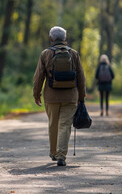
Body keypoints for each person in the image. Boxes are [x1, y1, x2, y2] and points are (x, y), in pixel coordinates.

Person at [33, 26, 86, 166]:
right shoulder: (74, 54)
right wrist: (82, 97)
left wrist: (36, 94)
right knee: (65, 125)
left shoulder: (45, 54)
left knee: (53, 124)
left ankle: (53, 153)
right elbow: (81, 77)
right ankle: (61, 155)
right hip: (70, 96)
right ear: (65, 38)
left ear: (51, 39)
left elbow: (38, 77)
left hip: (51, 96)